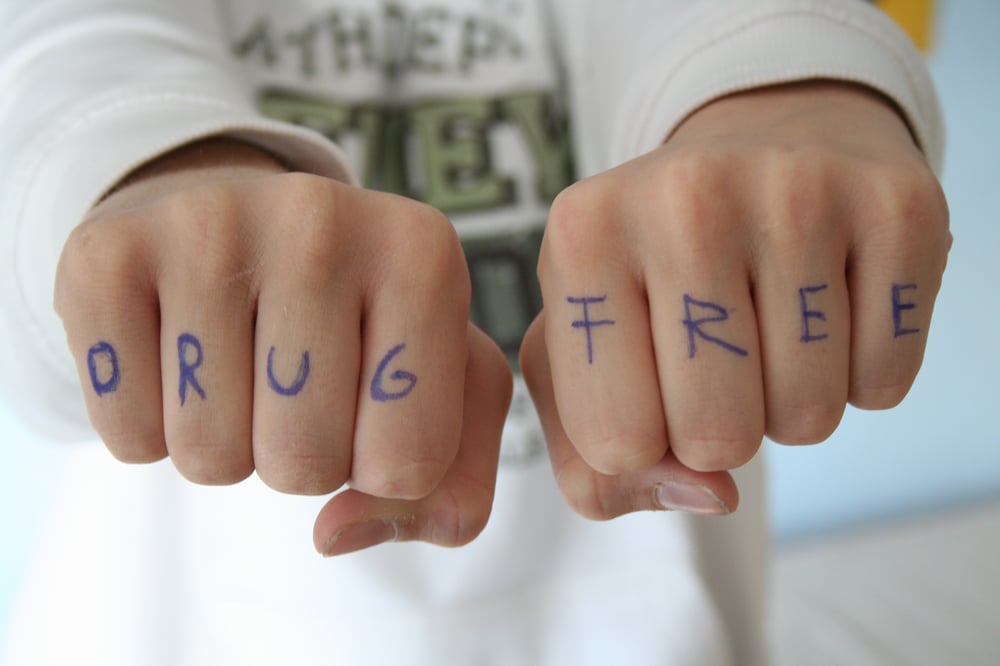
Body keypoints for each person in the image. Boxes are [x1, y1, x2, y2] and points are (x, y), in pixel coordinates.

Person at [0, 1, 949, 664]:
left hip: (656, 626)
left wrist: (781, 80)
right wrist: (135, 173)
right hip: (171, 621)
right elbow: (61, 44)